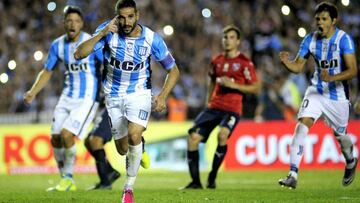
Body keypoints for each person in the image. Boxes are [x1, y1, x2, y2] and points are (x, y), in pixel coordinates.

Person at [74, 0, 180, 202]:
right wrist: (103, 33)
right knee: (122, 149)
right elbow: (79, 53)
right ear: (116, 16)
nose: (126, 21)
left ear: (137, 15)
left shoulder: (151, 38)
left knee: (133, 136)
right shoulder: (108, 33)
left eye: (130, 16)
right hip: (113, 97)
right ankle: (140, 144)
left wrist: (162, 96)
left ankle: (128, 189)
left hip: (139, 94)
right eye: (121, 17)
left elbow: (173, 70)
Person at [278, 2, 358, 189]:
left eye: (324, 19)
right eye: (317, 19)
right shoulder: (310, 39)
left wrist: (332, 77)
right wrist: (286, 62)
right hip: (316, 91)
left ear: (333, 21)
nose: (319, 23)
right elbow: (298, 67)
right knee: (301, 125)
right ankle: (292, 174)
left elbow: (353, 70)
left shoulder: (343, 40)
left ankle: (351, 162)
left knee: (341, 137)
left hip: (337, 95)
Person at [23, 6, 103, 191]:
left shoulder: (90, 42)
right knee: (56, 138)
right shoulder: (57, 45)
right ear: (64, 23)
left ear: (82, 24)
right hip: (67, 96)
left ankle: (68, 178)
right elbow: (47, 71)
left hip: (87, 98)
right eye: (69, 20)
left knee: (67, 135)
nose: (72, 24)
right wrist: (33, 91)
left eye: (76, 21)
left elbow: (106, 63)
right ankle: (65, 179)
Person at [182, 25, 260, 189]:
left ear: (238, 41)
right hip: (214, 107)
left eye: (231, 37)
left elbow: (255, 87)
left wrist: (234, 85)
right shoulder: (216, 61)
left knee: (222, 136)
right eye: (225, 37)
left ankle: (212, 176)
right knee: (192, 139)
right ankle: (195, 182)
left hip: (232, 109)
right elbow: (211, 81)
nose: (227, 41)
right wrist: (208, 101)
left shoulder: (245, 63)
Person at [85, 101, 150, 190]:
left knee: (95, 141)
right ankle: (110, 173)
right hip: (107, 105)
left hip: (116, 103)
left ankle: (105, 182)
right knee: (88, 142)